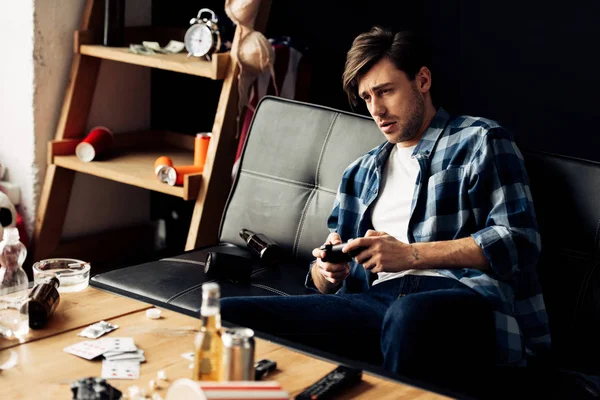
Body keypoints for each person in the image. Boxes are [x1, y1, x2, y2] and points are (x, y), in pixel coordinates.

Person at [220, 26, 550, 389]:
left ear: (422, 80)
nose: (376, 110)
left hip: (463, 302)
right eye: (366, 98)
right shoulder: (360, 172)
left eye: (385, 91)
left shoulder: (480, 141)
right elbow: (320, 285)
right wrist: (328, 270)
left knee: (408, 317)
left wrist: (409, 255)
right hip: (373, 304)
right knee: (228, 314)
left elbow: (519, 241)